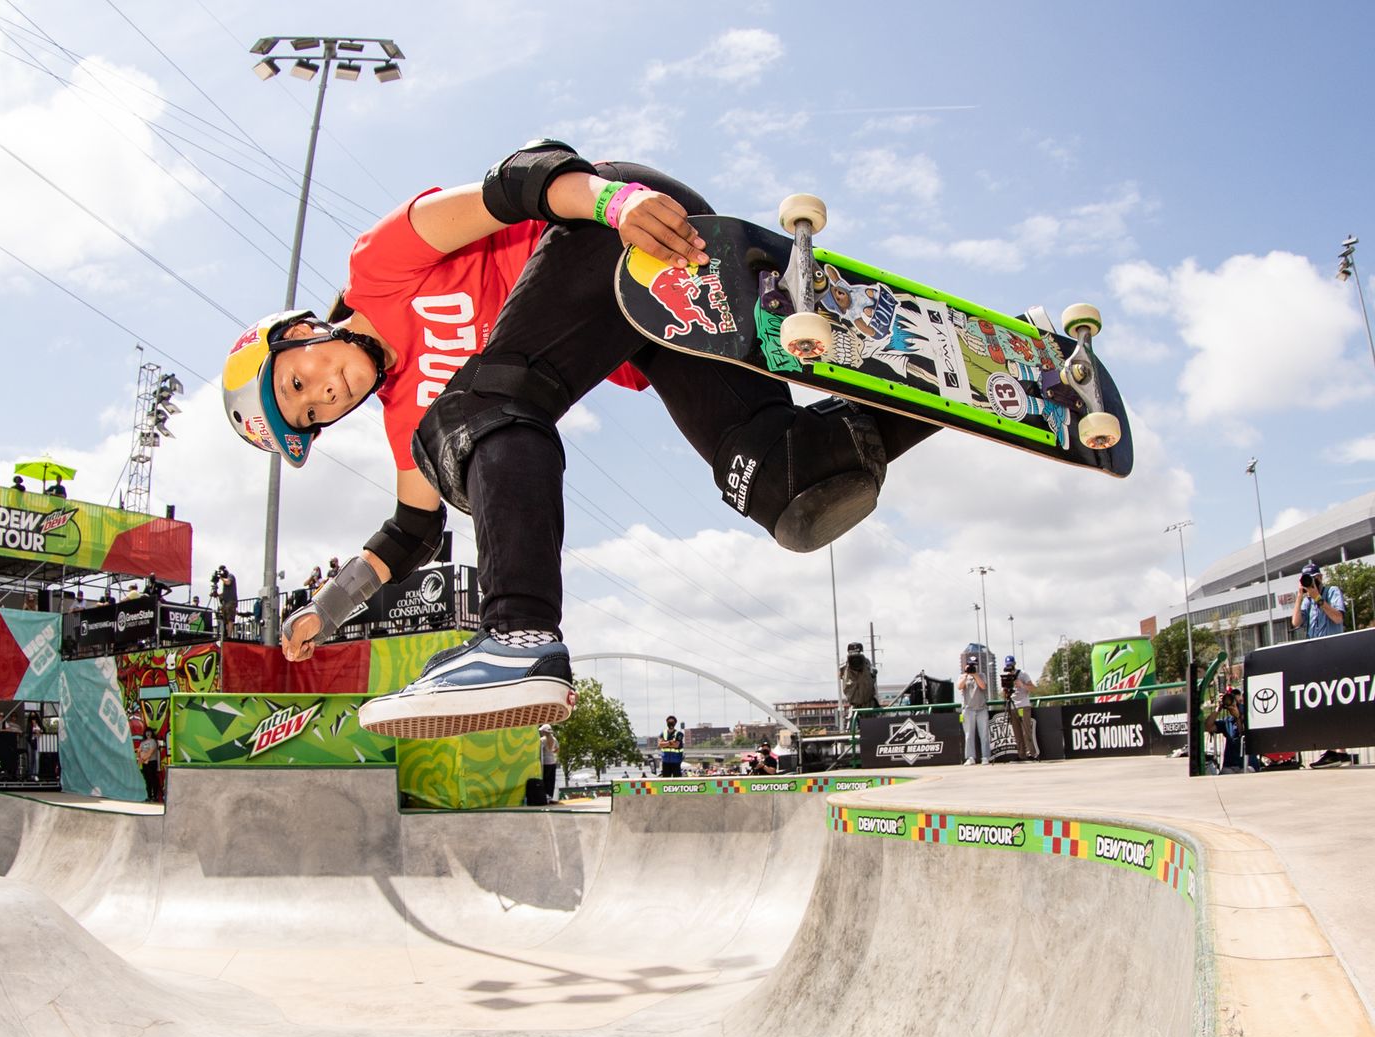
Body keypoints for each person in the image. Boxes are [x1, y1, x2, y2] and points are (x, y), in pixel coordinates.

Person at [222, 140, 930, 736]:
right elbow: (410, 530)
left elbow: (519, 182)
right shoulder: (406, 415)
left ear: (298, 333)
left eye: (298, 384)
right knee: (790, 488)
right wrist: (328, 607)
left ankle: (518, 633)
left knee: (473, 411)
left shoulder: (378, 266)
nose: (323, 396)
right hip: (659, 322)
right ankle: (968, 386)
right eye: (312, 414)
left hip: (616, 230)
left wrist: (615, 204)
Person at [1290, 561, 1352, 767]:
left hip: (1334, 653)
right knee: (1322, 703)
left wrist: (1318, 598)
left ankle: (1338, 750)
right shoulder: (1306, 600)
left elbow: (1337, 618)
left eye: (1314, 580)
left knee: (1335, 701)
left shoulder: (1332, 592)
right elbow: (1296, 622)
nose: (1311, 584)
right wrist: (1300, 597)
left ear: (1320, 578)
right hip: (1315, 657)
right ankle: (1335, 750)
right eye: (1307, 581)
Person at [1000, 656, 1038, 761]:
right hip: (1012, 706)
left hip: (1023, 705)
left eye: (1011, 665)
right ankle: (1021, 754)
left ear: (1014, 664)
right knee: (1017, 732)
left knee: (1026, 731)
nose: (1009, 668)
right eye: (1008, 666)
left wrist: (1022, 685)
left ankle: (1031, 753)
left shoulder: (1023, 674)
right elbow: (1004, 692)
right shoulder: (1006, 676)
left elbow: (1033, 688)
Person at [838, 642, 877, 728]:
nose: (855, 659)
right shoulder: (845, 665)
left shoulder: (866, 663)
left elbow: (873, 674)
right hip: (854, 702)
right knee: (858, 727)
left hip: (867, 701)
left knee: (870, 727)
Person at [959, 662, 990, 765]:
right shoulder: (962, 676)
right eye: (970, 665)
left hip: (981, 708)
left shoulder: (981, 675)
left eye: (974, 665)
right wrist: (967, 674)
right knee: (968, 735)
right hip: (968, 709)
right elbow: (959, 686)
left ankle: (985, 756)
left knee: (984, 734)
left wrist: (975, 674)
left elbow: (983, 686)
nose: (972, 667)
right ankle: (970, 757)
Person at [135, 710, 163, 802]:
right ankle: (148, 796)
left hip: (151, 762)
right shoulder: (143, 742)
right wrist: (140, 757)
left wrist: (144, 758)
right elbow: (139, 750)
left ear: (151, 733)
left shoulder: (153, 741)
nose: (148, 734)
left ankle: (154, 796)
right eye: (147, 732)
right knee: (147, 780)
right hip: (145, 763)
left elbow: (151, 751)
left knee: (153, 779)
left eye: (149, 732)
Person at [537, 723, 559, 802]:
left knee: (545, 780)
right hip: (553, 762)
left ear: (544, 732)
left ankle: (545, 795)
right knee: (551, 780)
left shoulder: (542, 740)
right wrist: (552, 752)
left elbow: (539, 750)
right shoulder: (554, 739)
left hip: (545, 762)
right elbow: (557, 749)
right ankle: (550, 796)